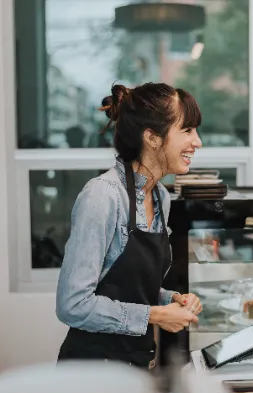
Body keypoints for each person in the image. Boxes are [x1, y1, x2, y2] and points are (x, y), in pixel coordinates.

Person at [56, 82, 204, 369]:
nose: (197, 142)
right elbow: (72, 305)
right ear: (152, 137)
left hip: (138, 364)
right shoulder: (102, 196)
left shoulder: (160, 196)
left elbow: (130, 290)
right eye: (187, 130)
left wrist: (171, 299)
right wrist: (156, 315)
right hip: (92, 372)